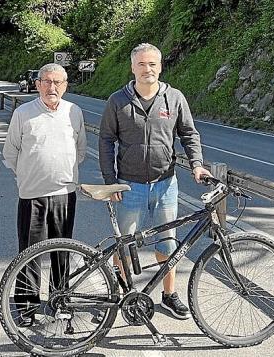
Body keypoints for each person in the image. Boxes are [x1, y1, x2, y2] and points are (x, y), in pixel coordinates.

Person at [98, 43, 212, 320]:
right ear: (132, 68)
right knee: (124, 245)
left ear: (160, 67)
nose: (147, 69)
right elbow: (105, 140)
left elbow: (189, 134)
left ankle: (169, 295)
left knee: (167, 243)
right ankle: (123, 296)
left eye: (152, 64)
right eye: (141, 64)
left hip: (165, 184)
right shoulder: (118, 100)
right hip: (128, 185)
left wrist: (197, 164)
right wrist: (110, 180)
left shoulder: (174, 98)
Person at [2, 63, 87, 326]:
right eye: (47, 82)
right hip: (32, 195)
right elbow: (10, 153)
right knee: (29, 252)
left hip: (64, 193)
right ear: (38, 84)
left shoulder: (75, 112)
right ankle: (26, 306)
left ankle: (60, 300)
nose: (52, 87)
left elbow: (80, 150)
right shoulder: (23, 113)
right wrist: (29, 175)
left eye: (58, 82)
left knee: (62, 250)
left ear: (65, 86)